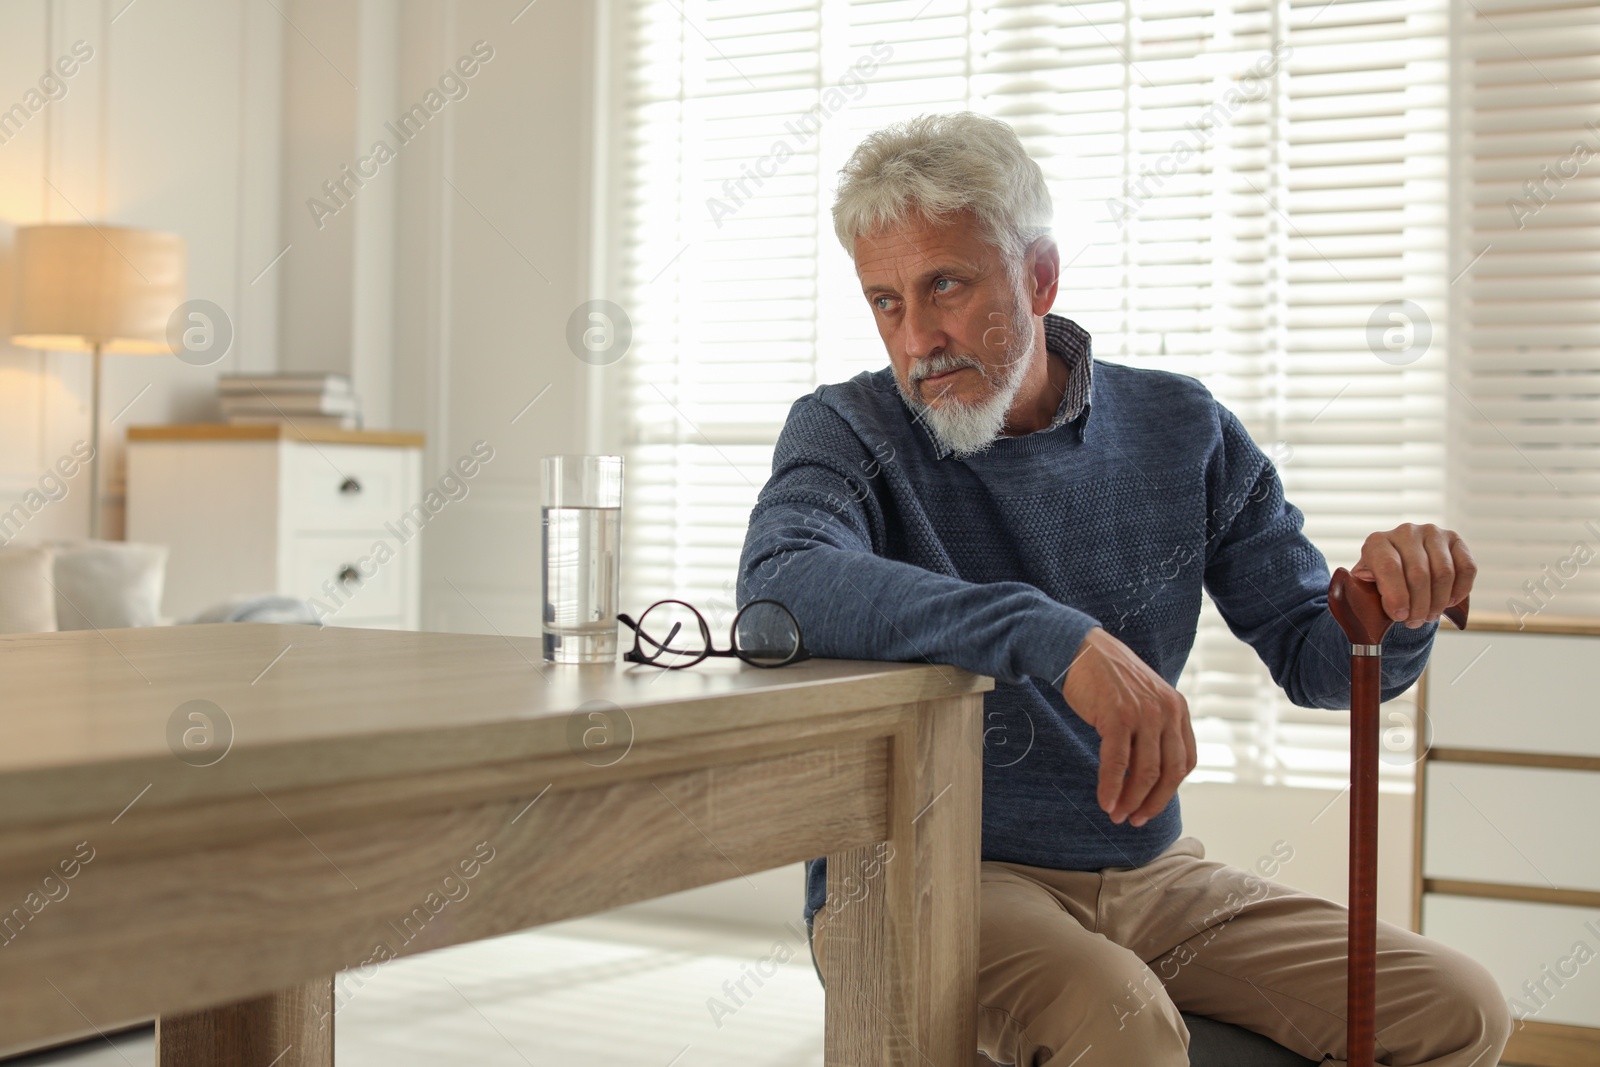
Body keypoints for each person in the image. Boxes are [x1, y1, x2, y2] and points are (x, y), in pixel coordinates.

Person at [734, 112, 1510, 1067]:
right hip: (932, 874)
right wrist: (1051, 634)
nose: (919, 337)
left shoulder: (1181, 426)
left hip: (1156, 876)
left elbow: (1318, 657)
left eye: (946, 284)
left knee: (1460, 1006)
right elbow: (780, 586)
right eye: (886, 301)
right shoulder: (846, 430)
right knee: (1124, 1027)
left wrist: (1393, 610)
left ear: (1039, 276)